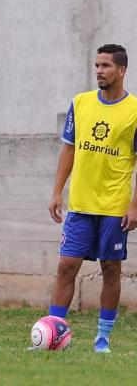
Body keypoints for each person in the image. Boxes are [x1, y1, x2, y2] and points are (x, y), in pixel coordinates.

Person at [48, 44, 137, 353]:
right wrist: (57, 191)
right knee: (66, 266)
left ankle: (102, 339)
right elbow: (69, 149)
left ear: (122, 70)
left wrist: (134, 205)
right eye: (97, 65)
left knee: (110, 269)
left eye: (106, 66)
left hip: (114, 206)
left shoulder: (135, 111)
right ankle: (53, 332)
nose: (99, 70)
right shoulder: (81, 103)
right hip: (81, 204)